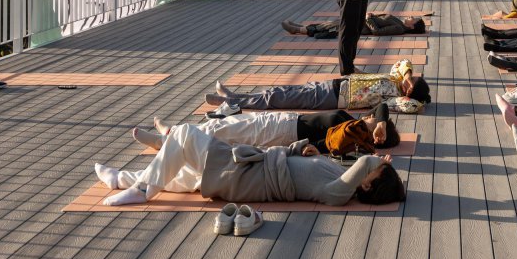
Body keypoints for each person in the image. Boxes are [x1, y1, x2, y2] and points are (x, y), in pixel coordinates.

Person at [93, 124, 407, 207]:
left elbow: (364, 160)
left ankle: (143, 189)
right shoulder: (339, 177)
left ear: (371, 180)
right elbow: (299, 166)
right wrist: (302, 149)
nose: (371, 165)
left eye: (376, 170)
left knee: (186, 134)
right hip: (253, 166)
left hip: (249, 176)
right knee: (184, 176)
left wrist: (377, 160)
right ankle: (123, 179)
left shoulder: (340, 194)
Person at [132, 105, 400, 156]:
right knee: (226, 127)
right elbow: (382, 107)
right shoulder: (356, 122)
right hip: (285, 122)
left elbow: (327, 144)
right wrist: (383, 123)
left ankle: (167, 140)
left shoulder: (354, 135)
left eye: (374, 122)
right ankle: (173, 133)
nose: (371, 117)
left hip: (283, 133)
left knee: (223, 131)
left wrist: (376, 133)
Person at [207, 61, 432, 112]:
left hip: (332, 98)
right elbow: (402, 63)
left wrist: (417, 98)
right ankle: (235, 97)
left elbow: (412, 107)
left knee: (278, 98)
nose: (405, 79)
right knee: (282, 92)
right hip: (334, 85)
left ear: (409, 91)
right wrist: (409, 76)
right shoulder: (395, 79)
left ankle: (230, 101)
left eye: (409, 83)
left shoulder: (394, 98)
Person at [283, 13, 425, 39]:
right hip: (360, 21)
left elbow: (376, 32)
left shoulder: (399, 29)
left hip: (360, 27)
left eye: (413, 19)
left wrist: (369, 19)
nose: (410, 16)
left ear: (413, 27)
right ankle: (301, 27)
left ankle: (297, 30)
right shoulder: (399, 23)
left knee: (331, 27)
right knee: (331, 24)